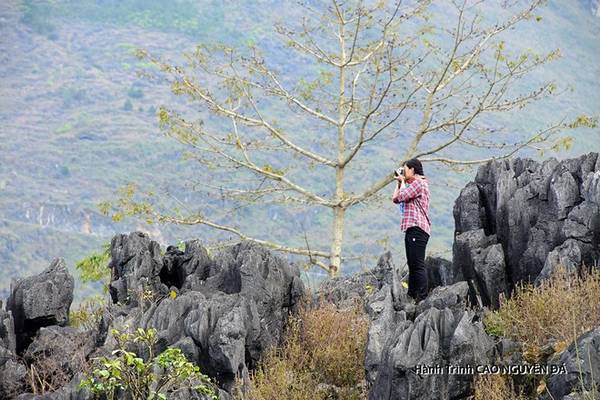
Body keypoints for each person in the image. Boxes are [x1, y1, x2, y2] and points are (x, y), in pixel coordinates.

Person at [391, 158, 431, 303]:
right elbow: (395, 199)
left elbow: (402, 196)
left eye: (405, 169)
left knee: (418, 264)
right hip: (412, 228)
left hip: (417, 228)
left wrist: (402, 182)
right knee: (412, 264)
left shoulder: (419, 183)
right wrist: (399, 182)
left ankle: (423, 297)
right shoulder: (412, 185)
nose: (403, 171)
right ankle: (412, 295)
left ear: (413, 170)